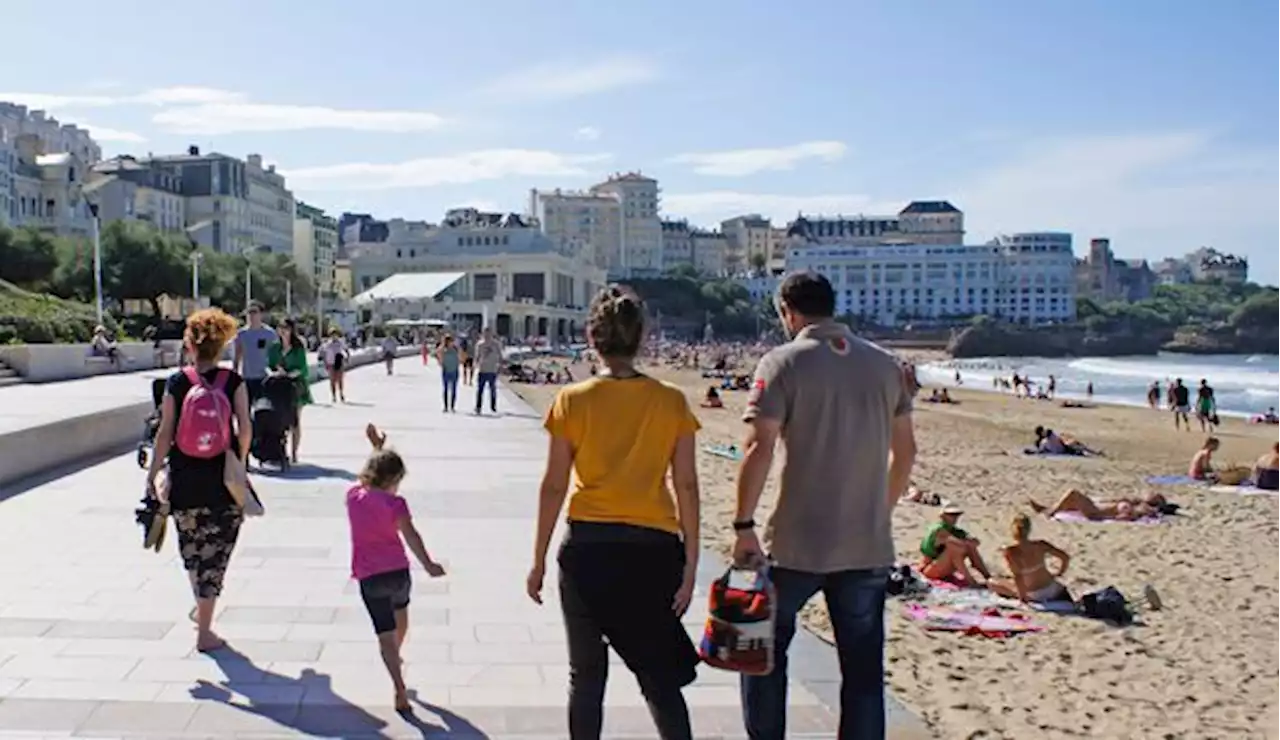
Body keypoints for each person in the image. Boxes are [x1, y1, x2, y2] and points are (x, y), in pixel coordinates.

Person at [732, 271, 916, 740]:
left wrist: (744, 524)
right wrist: (883, 508)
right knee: (863, 674)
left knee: (763, 657)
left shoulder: (782, 362)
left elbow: (759, 447)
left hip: (796, 541)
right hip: (866, 542)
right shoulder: (886, 366)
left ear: (786, 312)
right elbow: (906, 453)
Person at [526, 286, 702, 740]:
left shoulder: (573, 399)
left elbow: (554, 485)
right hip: (654, 549)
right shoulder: (670, 400)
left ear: (592, 336)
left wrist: (538, 559)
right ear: (641, 337)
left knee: (585, 677)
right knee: (658, 677)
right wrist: (692, 564)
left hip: (588, 548)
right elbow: (686, 485)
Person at [145, 308, 252, 653]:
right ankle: (205, 629)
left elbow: (164, 433)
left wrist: (153, 473)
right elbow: (245, 429)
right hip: (223, 480)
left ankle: (201, 610)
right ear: (221, 346)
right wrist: (240, 462)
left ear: (189, 345)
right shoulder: (233, 382)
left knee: (192, 550)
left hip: (185, 479)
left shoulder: (177, 382)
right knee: (217, 554)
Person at [348, 424, 447, 710]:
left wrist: (376, 448)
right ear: (395, 480)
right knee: (401, 617)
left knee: (384, 633)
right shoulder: (396, 504)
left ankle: (398, 685)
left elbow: (368, 478)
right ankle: (397, 654)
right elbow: (412, 535)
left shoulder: (354, 498)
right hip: (399, 573)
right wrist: (428, 564)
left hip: (370, 576)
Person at [987, 514, 1072, 604]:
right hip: (1052, 588)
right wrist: (1059, 573)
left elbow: (1018, 577)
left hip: (1034, 594)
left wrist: (1022, 598)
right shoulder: (1041, 545)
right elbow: (1065, 557)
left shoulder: (1011, 552)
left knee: (992, 582)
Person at [267, 318, 312, 464]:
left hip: (295, 386)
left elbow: (303, 368)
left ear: (291, 329)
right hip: (279, 385)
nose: (283, 331)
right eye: (280, 328)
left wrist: (290, 373)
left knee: (295, 421)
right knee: (278, 418)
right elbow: (268, 365)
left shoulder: (298, 347)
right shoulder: (274, 347)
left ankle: (294, 453)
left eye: (286, 328)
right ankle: (280, 450)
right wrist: (273, 373)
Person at [918, 506, 991, 585]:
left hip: (941, 565)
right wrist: (967, 542)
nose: (954, 517)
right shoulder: (938, 529)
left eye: (956, 515)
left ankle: (987, 576)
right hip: (929, 568)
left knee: (969, 547)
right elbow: (956, 542)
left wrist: (969, 541)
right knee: (954, 549)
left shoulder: (954, 530)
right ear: (943, 516)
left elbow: (975, 542)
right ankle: (971, 580)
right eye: (951, 515)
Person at [1028, 489, 1168, 521]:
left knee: (1073, 493)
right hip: (1096, 507)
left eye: (1154, 495)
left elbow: (1127, 517)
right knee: (1071, 500)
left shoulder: (1141, 509)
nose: (1150, 493)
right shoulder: (1135, 502)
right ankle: (1046, 508)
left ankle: (1049, 511)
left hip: (1096, 512)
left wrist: (1113, 517)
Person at [234, 303, 276, 402]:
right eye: (249, 312)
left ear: (261, 314)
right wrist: (235, 374)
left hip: (264, 377)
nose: (251, 315)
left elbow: (275, 354)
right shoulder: (241, 334)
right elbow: (237, 355)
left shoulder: (269, 334)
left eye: (255, 312)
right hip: (247, 377)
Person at [474, 327, 502, 415]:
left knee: (493, 389)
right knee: (480, 390)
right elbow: (477, 356)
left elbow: (500, 355)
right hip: (482, 370)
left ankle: (493, 406)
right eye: (485, 333)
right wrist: (475, 365)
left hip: (492, 370)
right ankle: (478, 406)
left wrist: (500, 365)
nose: (487, 335)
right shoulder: (480, 344)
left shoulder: (496, 344)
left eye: (489, 333)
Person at [435, 334, 464, 413]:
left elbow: (461, 357)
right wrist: (442, 344)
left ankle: (452, 406)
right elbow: (437, 352)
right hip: (446, 370)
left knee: (454, 389)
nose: (449, 343)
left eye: (450, 341)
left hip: (454, 370)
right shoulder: (443, 350)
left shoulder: (456, 349)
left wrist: (458, 347)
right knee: (446, 389)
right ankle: (445, 406)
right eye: (447, 341)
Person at [321, 330, 349, 404]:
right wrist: (325, 363)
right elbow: (323, 353)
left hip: (339, 363)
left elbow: (346, 349)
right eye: (332, 335)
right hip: (331, 363)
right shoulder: (327, 344)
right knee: (332, 380)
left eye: (335, 335)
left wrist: (347, 358)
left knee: (340, 379)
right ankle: (333, 395)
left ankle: (341, 393)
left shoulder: (340, 342)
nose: (334, 336)